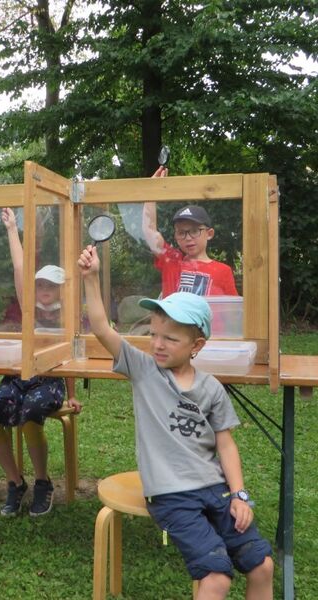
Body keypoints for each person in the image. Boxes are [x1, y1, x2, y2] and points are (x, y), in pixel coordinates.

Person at [78, 244, 273, 599]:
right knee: (217, 577)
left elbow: (226, 444)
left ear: (196, 345)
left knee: (262, 565)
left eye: (170, 338)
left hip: (215, 489)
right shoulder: (144, 371)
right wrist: (91, 278)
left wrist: (240, 495)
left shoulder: (211, 389)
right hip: (171, 495)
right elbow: (102, 328)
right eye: (154, 334)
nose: (158, 344)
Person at [0, 207, 82, 517]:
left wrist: (72, 394)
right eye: (40, 285)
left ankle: (42, 482)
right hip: (19, 377)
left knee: (29, 415)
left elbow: (71, 357)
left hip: (49, 381)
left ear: (62, 289)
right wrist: (13, 229)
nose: (45, 291)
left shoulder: (69, 315)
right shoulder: (28, 308)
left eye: (51, 286)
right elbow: (19, 266)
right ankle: (15, 482)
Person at [142, 166, 238, 297]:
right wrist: (150, 192)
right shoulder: (172, 260)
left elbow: (231, 308)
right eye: (181, 233)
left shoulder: (223, 271)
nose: (188, 238)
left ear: (209, 234)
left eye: (194, 231)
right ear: (176, 236)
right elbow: (149, 231)